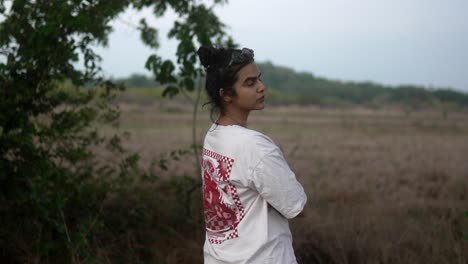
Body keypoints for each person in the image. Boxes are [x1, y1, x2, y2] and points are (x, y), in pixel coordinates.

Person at [197, 46, 307, 264]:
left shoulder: (214, 135)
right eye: (250, 83)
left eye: (259, 79)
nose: (261, 87)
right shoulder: (254, 146)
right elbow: (296, 206)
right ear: (226, 94)